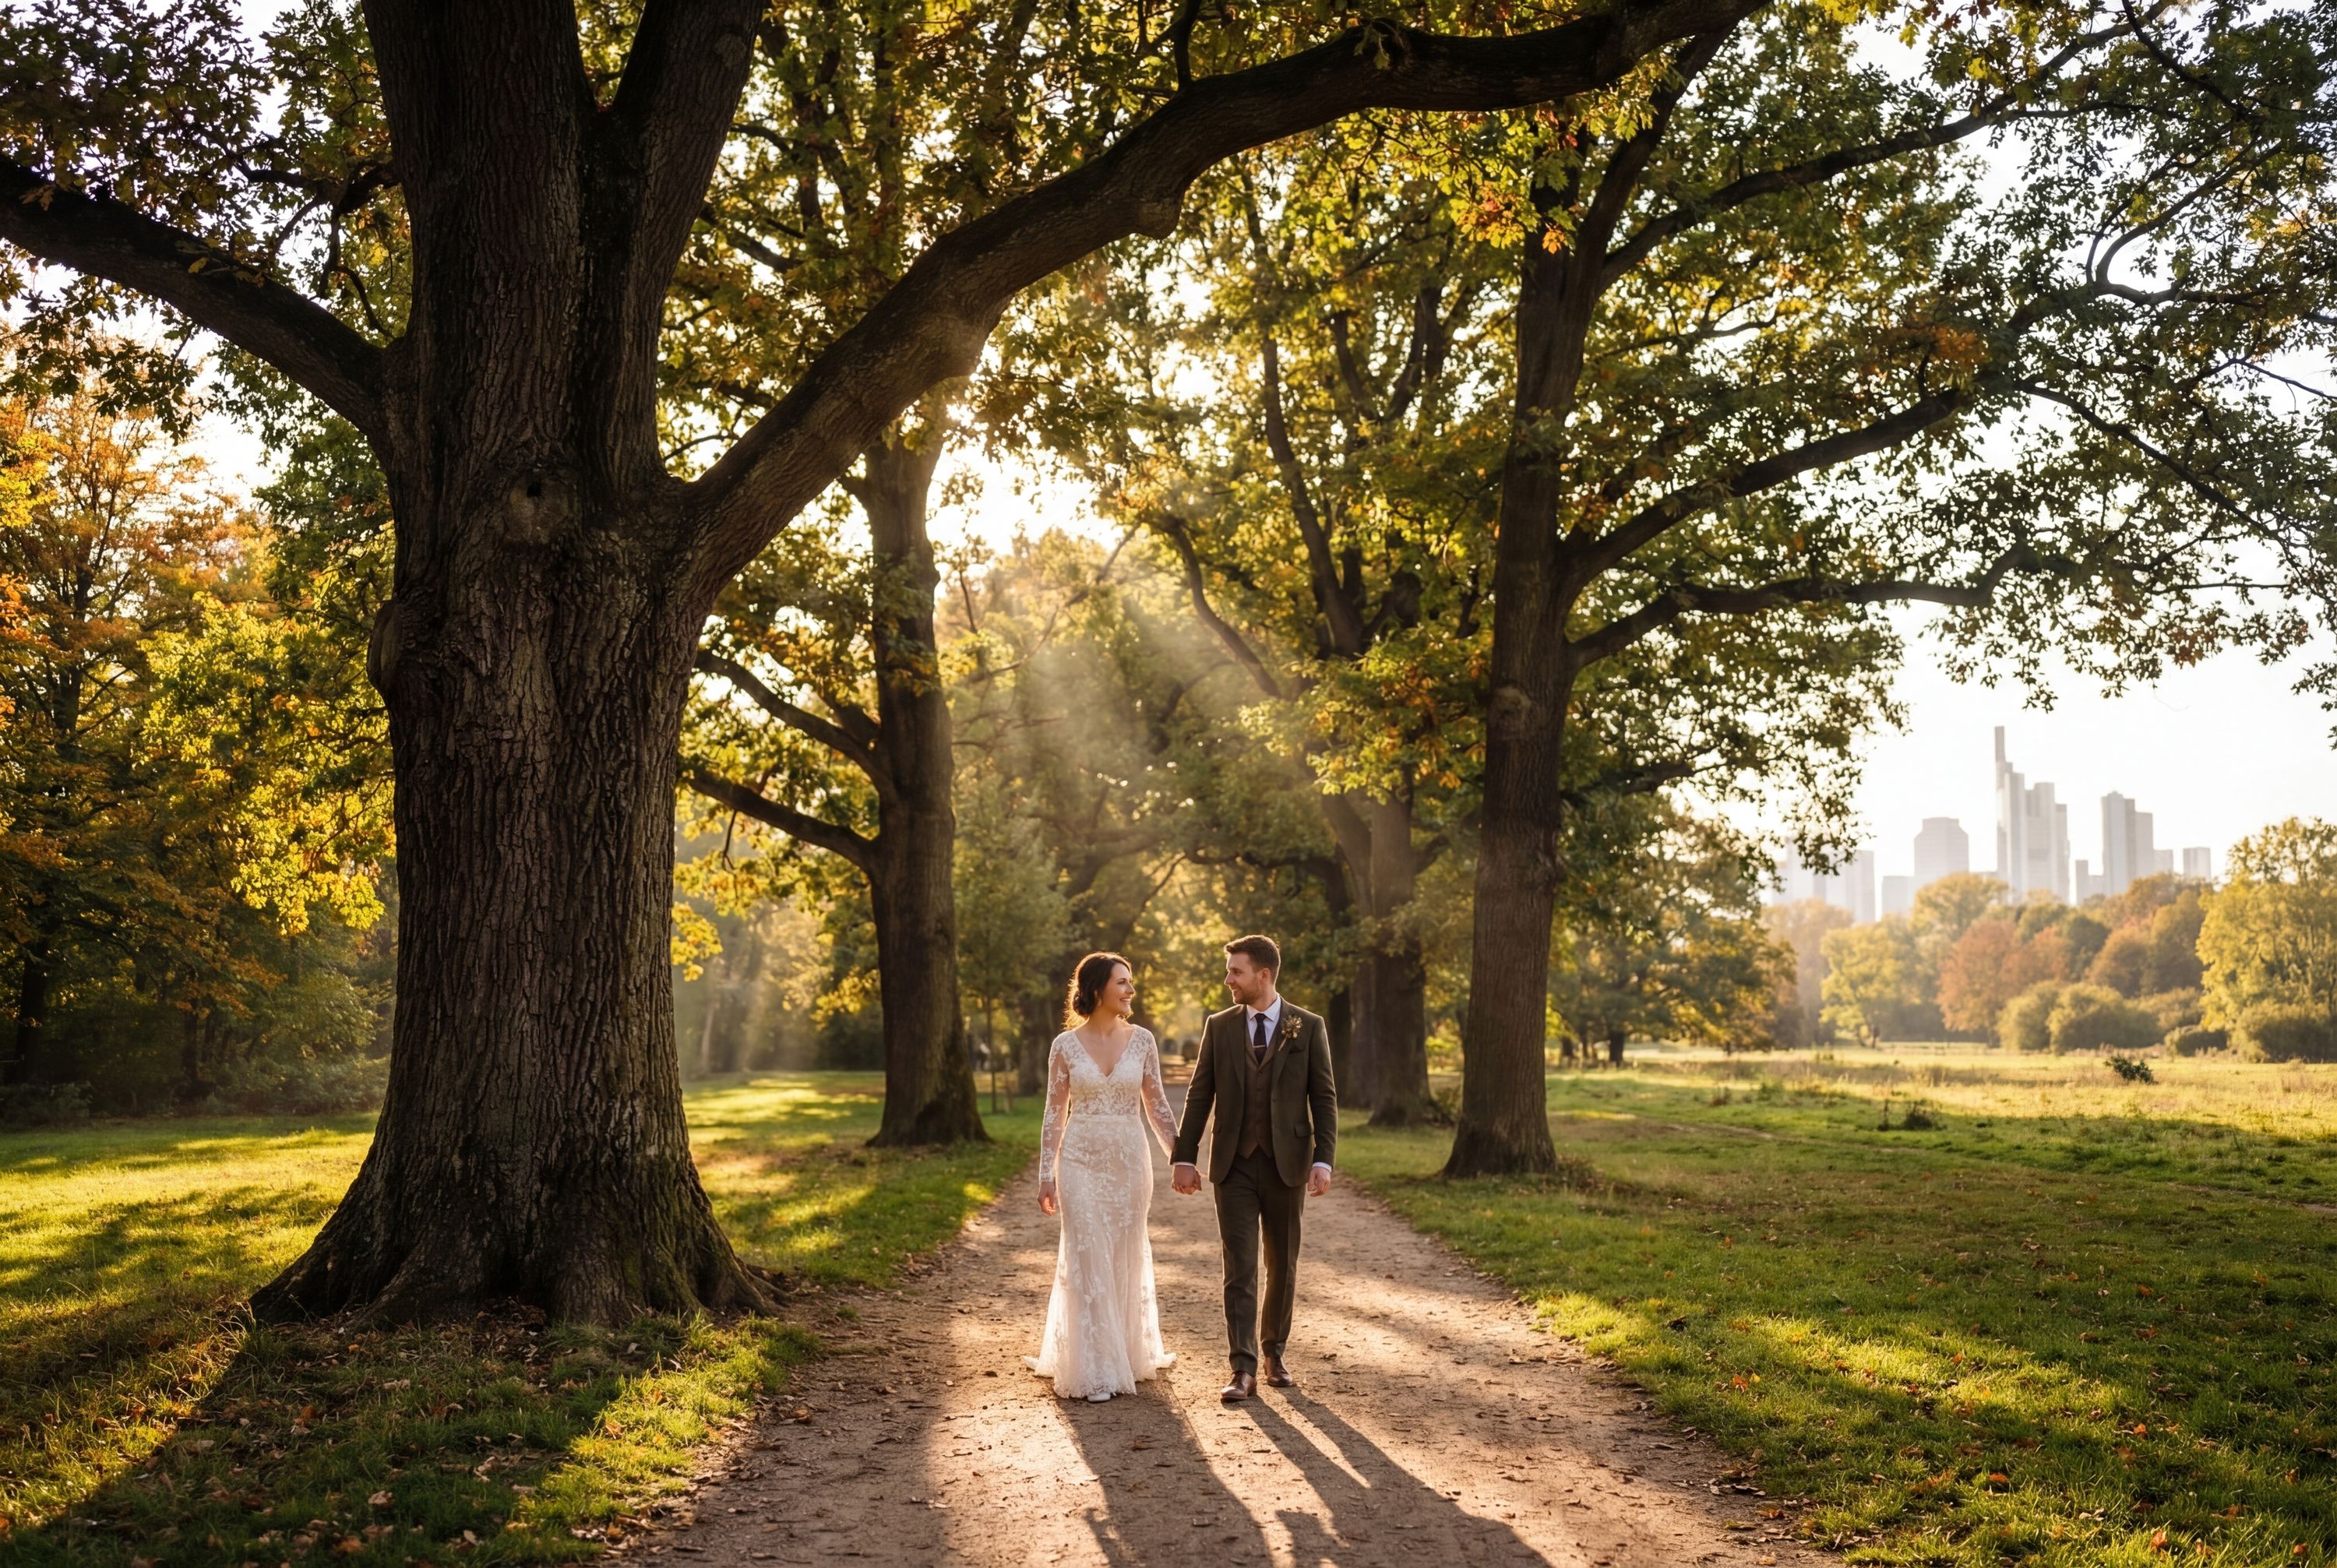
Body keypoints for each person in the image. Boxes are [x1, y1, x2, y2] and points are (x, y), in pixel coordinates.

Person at [1168, 934, 1337, 1402]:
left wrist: (1323, 1158)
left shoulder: (1308, 1026)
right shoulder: (1219, 1027)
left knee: (1283, 1263)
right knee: (1239, 1266)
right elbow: (1200, 1094)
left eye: (1235, 972)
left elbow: (1323, 1097)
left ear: (1263, 975)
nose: (1228, 981)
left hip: (1288, 1165)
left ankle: (1273, 1353)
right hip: (1234, 1166)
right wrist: (1185, 1156)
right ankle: (1241, 1368)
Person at [1024, 952, 1180, 1401]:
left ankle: (1127, 1354)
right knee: (1088, 1251)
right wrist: (1046, 1175)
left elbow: (1158, 1106)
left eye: (1130, 983)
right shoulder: (1064, 1047)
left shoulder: (1144, 1041)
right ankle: (1094, 1369)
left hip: (1131, 1164)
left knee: (1123, 1253)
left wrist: (1180, 1157)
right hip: (1079, 1163)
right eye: (1123, 983)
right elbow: (1054, 1114)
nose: (1131, 990)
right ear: (1097, 990)